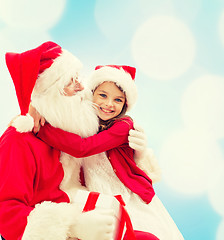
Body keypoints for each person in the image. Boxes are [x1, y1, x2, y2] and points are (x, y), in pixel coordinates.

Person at [0, 41, 158, 240]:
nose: (82, 87)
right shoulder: (19, 139)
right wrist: (72, 227)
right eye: (71, 81)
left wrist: (139, 155)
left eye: (78, 77)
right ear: (51, 90)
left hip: (83, 208)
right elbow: (6, 213)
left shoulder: (69, 130)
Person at [34, 65, 184, 240]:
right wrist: (39, 109)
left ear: (125, 104)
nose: (109, 104)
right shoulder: (86, 120)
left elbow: (83, 148)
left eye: (118, 100)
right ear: (91, 94)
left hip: (126, 194)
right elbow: (64, 108)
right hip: (97, 192)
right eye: (103, 95)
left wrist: (42, 129)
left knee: (139, 231)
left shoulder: (123, 126)